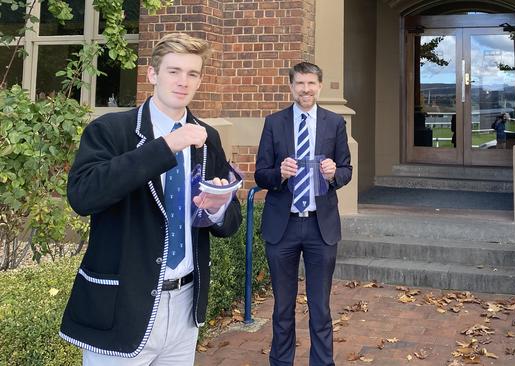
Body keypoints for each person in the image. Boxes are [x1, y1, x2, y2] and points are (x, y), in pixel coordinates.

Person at [59, 33, 242, 365]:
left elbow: (230, 223)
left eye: (193, 73)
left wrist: (217, 209)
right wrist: (166, 146)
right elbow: (83, 196)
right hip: (121, 306)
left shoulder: (206, 137)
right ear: (152, 74)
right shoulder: (112, 130)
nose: (183, 81)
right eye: (174, 71)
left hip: (185, 307)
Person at [255, 62, 352, 366]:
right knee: (283, 306)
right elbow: (261, 174)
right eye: (300, 83)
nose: (305, 89)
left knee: (320, 306)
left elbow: (347, 170)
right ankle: (281, 362)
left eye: (311, 83)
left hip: (319, 227)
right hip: (282, 227)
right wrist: (279, 175)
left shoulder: (334, 123)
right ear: (291, 86)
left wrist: (335, 172)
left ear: (320, 86)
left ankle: (322, 363)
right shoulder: (274, 122)